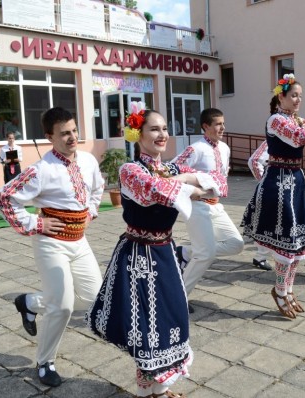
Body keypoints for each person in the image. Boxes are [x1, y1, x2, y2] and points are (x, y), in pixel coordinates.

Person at [86, 102, 226, 398]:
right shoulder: (130, 170)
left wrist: (185, 180)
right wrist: (189, 184)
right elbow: (156, 191)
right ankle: (153, 391)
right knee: (147, 326)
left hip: (164, 250)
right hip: (138, 254)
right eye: (154, 129)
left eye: (164, 128)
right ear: (138, 134)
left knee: (170, 316)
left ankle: (154, 388)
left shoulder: (172, 168)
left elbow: (218, 185)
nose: (162, 134)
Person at [0, 107, 104, 387]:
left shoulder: (89, 160)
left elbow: (97, 188)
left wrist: (90, 212)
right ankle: (45, 362)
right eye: (64, 133)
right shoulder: (41, 170)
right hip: (50, 244)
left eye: (74, 130)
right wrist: (36, 224)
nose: (72, 137)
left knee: (95, 299)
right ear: (49, 137)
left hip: (79, 242)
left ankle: (30, 302)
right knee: (63, 307)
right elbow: (4, 198)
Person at [240, 74, 305, 320]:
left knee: (298, 243)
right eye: (294, 95)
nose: (298, 100)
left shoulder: (294, 119)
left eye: (300, 96)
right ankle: (278, 290)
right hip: (279, 182)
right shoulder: (277, 120)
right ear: (281, 96)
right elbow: (300, 136)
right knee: (285, 242)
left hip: (295, 180)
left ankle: (287, 289)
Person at [172, 108, 245, 302]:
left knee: (236, 244)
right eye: (218, 124)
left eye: (223, 123)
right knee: (206, 254)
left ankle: (185, 251)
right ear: (206, 126)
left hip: (216, 205)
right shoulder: (196, 148)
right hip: (198, 206)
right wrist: (190, 191)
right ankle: (179, 299)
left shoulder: (225, 148)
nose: (222, 127)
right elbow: (173, 170)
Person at [246, 140, 274, 271]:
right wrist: (264, 181)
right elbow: (254, 160)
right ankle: (260, 256)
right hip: (271, 186)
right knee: (267, 221)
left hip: (286, 184)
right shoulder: (271, 140)